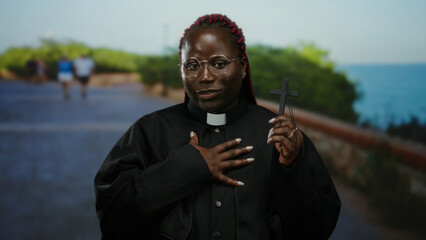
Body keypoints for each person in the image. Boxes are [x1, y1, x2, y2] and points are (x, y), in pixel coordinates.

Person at [94, 14, 341, 240]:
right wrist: (184, 168)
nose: (204, 77)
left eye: (219, 63)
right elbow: (112, 220)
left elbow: (316, 230)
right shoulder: (150, 131)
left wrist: (291, 169)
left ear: (243, 68)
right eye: (192, 65)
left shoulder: (278, 136)